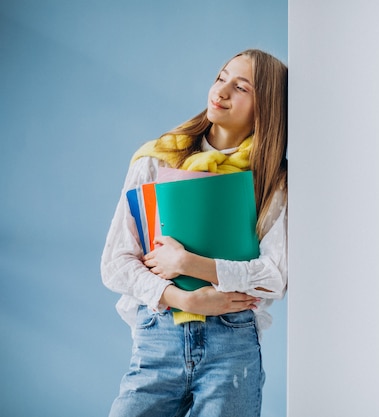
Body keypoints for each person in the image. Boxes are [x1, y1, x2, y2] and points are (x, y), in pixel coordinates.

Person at [101, 49, 288, 417]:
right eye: (221, 78)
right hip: (159, 337)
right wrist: (183, 298)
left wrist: (188, 263)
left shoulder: (271, 179)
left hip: (232, 347)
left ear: (265, 106)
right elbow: (115, 263)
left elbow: (274, 276)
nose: (221, 91)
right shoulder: (156, 159)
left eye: (241, 87)